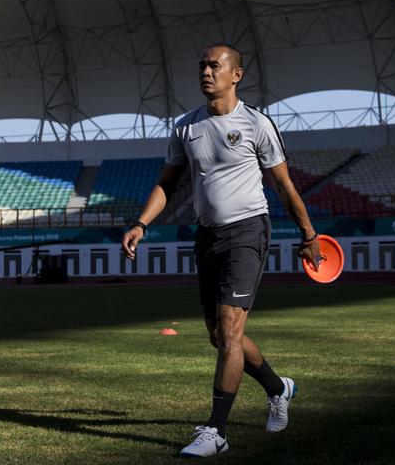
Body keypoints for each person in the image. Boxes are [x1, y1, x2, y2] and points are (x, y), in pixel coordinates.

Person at [122, 43, 322, 458]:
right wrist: (141, 223)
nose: (206, 72)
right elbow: (167, 183)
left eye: (215, 65)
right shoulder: (185, 127)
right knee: (219, 336)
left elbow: (284, 185)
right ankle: (277, 387)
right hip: (207, 235)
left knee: (230, 327)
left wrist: (308, 235)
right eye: (202, 66)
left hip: (249, 229)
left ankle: (216, 431)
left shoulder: (256, 123)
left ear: (237, 75)